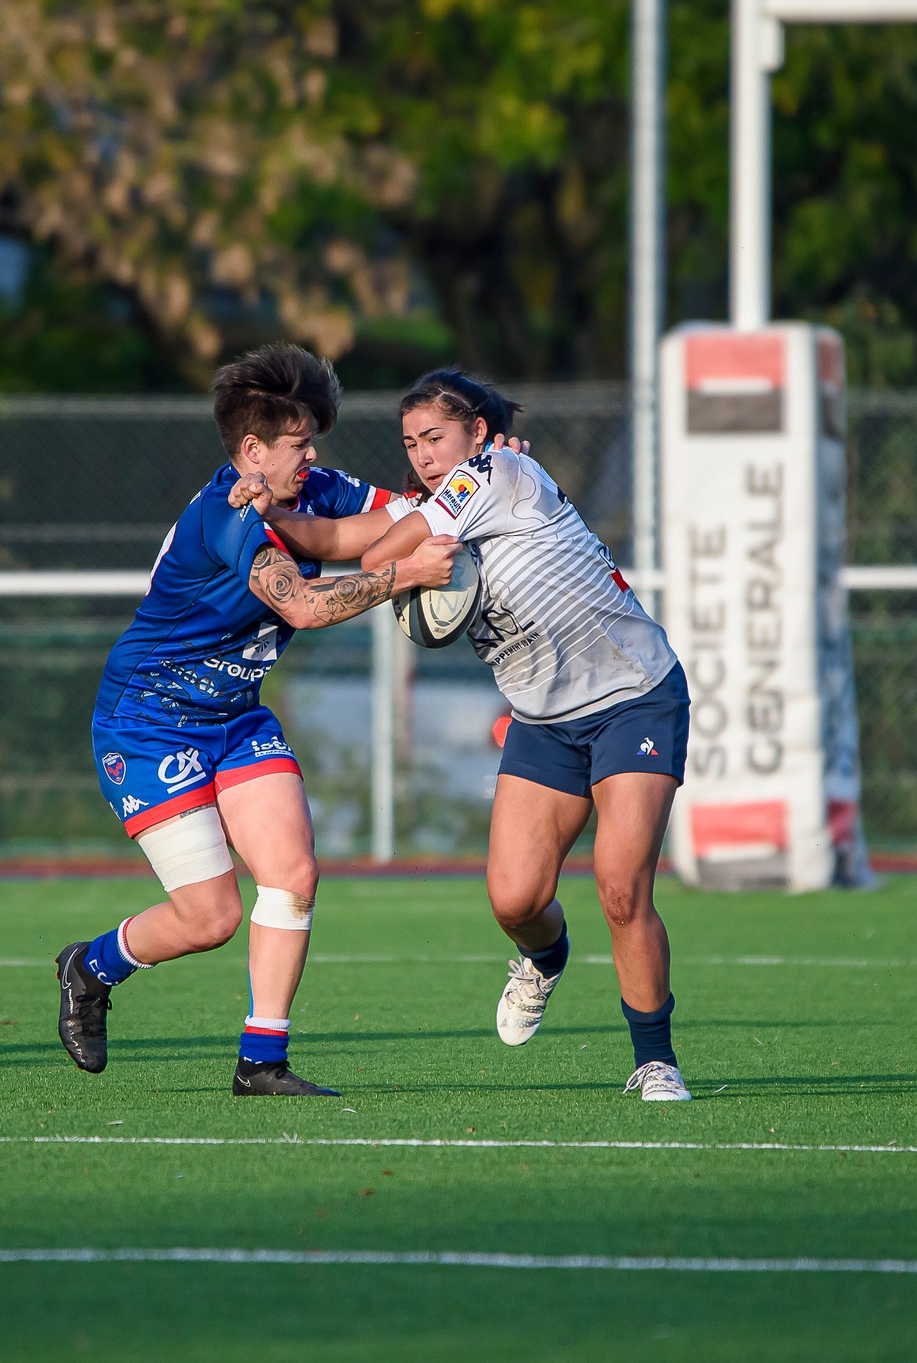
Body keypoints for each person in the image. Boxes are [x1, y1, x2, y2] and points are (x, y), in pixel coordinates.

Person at [254, 368, 694, 1102]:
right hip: (543, 720)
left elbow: (368, 557)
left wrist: (403, 558)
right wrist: (258, 512)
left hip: (635, 696)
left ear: (478, 435)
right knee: (514, 899)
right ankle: (544, 957)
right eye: (410, 444)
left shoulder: (501, 469)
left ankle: (655, 1059)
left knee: (621, 886)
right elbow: (329, 533)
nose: (424, 455)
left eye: (435, 437)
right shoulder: (433, 506)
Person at [58, 343, 459, 1096]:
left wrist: (482, 465)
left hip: (235, 715)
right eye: (298, 442)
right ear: (252, 450)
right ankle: (91, 965)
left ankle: (261, 1061)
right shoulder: (227, 517)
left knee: (294, 874)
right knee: (211, 916)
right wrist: (403, 575)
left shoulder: (313, 487)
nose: (312, 455)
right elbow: (303, 608)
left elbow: (407, 511)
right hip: (148, 723)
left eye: (312, 439)